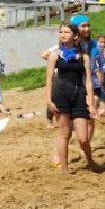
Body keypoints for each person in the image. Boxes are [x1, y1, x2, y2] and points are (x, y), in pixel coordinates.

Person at [43, 23, 96, 171]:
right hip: (61, 96)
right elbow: (49, 80)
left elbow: (89, 82)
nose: (63, 34)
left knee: (83, 138)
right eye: (61, 32)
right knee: (64, 134)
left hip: (79, 96)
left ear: (75, 36)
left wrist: (91, 103)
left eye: (66, 32)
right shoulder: (54, 55)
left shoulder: (84, 57)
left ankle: (90, 160)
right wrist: (49, 100)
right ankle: (65, 169)